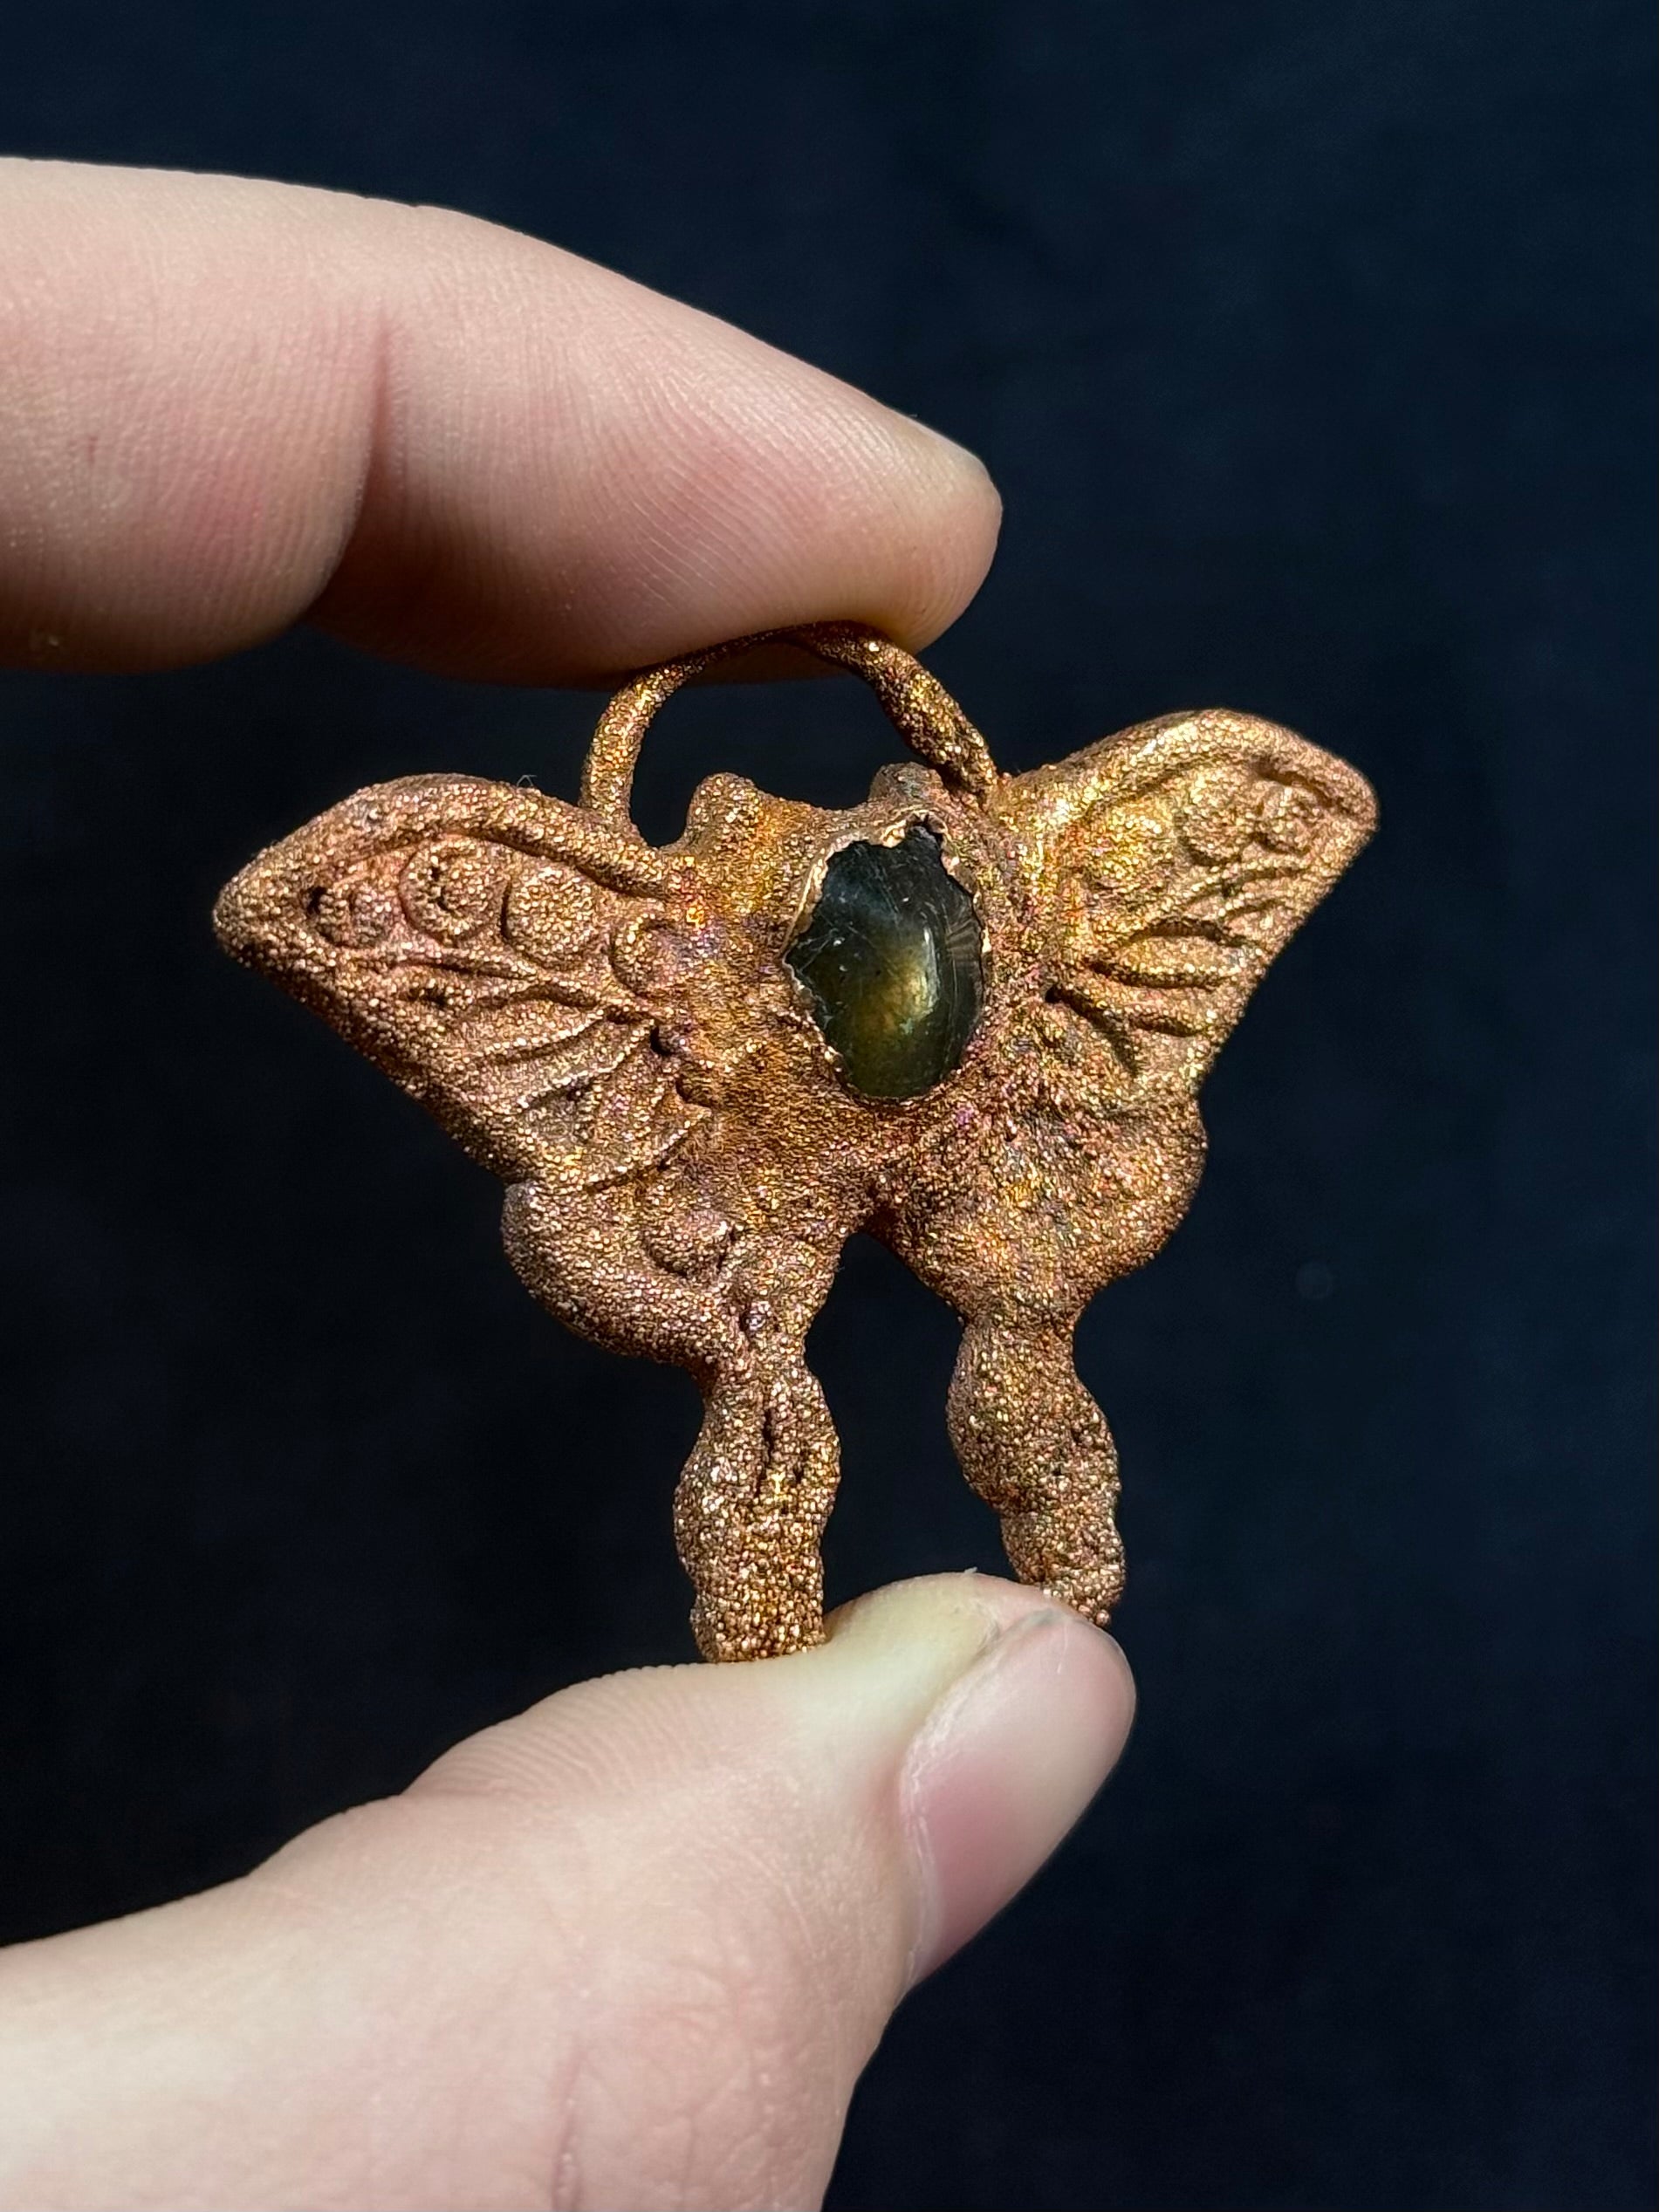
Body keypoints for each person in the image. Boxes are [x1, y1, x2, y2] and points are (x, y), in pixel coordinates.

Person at [0, 159, 1135, 2212]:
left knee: (973, 1329)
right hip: (751, 1149)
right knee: (789, 1371)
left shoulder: (992, 909)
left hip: (958, 1107)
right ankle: (839, 1630)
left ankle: (1024, 1567)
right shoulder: (632, 947)